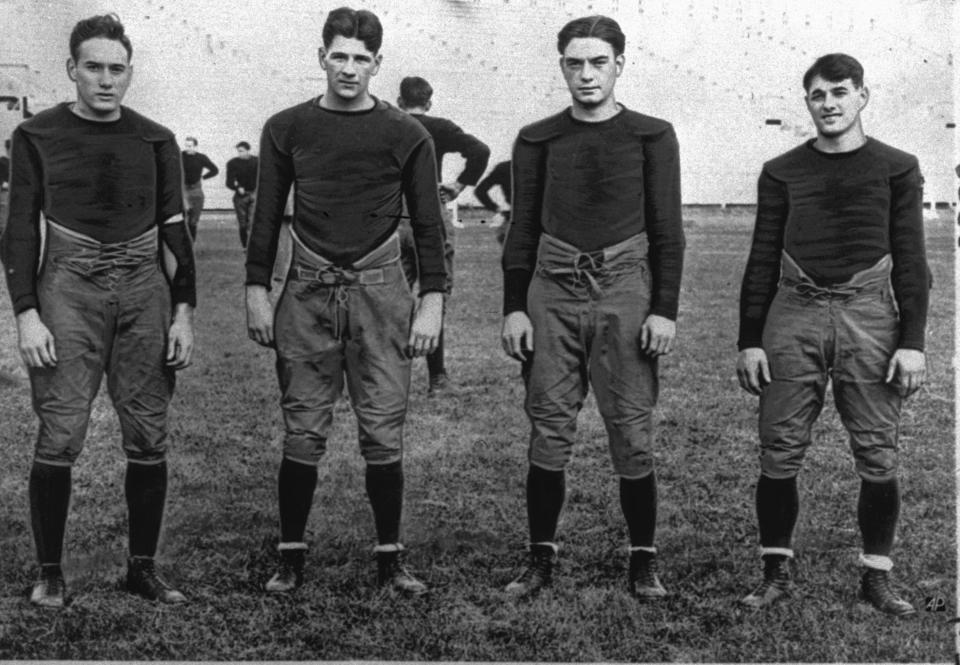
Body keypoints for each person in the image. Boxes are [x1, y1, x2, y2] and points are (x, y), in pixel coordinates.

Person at [245, 6, 445, 597]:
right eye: (340, 55)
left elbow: (429, 225)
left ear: (378, 64)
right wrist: (258, 290)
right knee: (302, 426)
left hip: (381, 291)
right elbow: (265, 216)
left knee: (383, 428)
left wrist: (432, 299)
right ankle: (290, 558)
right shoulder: (286, 127)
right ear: (322, 57)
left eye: (362, 58)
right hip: (306, 290)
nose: (350, 68)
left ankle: (391, 559)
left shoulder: (408, 134)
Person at [1, 13, 196, 608]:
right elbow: (19, 231)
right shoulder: (37, 135)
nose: (106, 80)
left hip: (143, 289)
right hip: (68, 285)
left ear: (129, 73)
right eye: (94, 68)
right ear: (71, 70)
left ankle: (143, 568)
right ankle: (51, 571)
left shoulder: (156, 138)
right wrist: (27, 314)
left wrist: (183, 310)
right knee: (61, 430)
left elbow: (174, 229)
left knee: (148, 432)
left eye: (117, 69)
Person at [736, 53, 928, 617]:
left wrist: (912, 340)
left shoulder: (897, 166)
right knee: (780, 448)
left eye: (840, 92)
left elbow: (913, 260)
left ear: (862, 96)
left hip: (869, 314)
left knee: (877, 449)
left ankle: (876, 576)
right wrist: (750, 338)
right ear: (808, 103)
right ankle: (775, 572)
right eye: (818, 95)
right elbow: (761, 257)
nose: (829, 104)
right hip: (794, 312)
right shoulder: (782, 170)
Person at [500, 15, 684, 600]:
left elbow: (668, 231)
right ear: (562, 66)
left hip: (624, 289)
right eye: (575, 63)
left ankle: (643, 561)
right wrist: (514, 307)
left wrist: (664, 310)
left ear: (619, 66)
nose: (586, 74)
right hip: (550, 291)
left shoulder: (652, 135)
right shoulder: (538, 138)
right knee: (548, 427)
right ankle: (540, 560)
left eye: (598, 62)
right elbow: (522, 227)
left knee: (631, 429)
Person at [396, 75, 490, 396]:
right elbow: (480, 150)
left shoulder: (387, 124)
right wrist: (459, 184)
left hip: (392, 217)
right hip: (430, 215)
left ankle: (386, 377)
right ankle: (437, 378)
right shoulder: (438, 126)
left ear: (399, 101)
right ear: (429, 102)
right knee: (434, 296)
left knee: (392, 297)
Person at [180, 136, 219, 242]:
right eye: (186, 146)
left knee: (193, 221)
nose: (188, 148)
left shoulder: (201, 158)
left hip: (196, 190)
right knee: (183, 220)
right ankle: (184, 245)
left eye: (190, 146)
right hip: (183, 190)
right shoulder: (180, 156)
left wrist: (203, 177)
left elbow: (214, 170)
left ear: (195, 146)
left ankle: (191, 243)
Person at [225, 140, 258, 248]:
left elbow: (263, 178)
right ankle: (245, 246)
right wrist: (237, 187)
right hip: (240, 197)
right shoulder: (232, 163)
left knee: (252, 221)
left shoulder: (257, 162)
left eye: (242, 151)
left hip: (254, 194)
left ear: (248, 151)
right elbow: (229, 182)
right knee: (243, 223)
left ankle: (252, 246)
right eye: (238, 151)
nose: (240, 153)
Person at [474, 159, 512, 245]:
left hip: (515, 218)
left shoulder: (505, 167)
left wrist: (496, 208)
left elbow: (480, 191)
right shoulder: (542, 165)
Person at [0, 138, 10, 236]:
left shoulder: (18, 163)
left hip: (14, 196)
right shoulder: (3, 162)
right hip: (5, 195)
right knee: (3, 223)